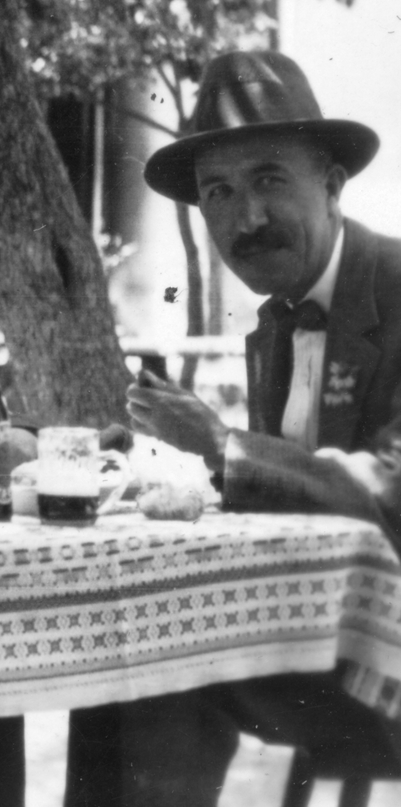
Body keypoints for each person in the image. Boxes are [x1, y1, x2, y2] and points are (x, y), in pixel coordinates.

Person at [65, 51, 401, 807]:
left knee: (161, 669)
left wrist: (222, 448)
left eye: (269, 181)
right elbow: (282, 504)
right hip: (325, 641)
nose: (245, 219)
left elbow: (392, 491)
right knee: (111, 655)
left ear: (334, 184)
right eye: (219, 192)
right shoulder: (273, 326)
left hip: (390, 669)